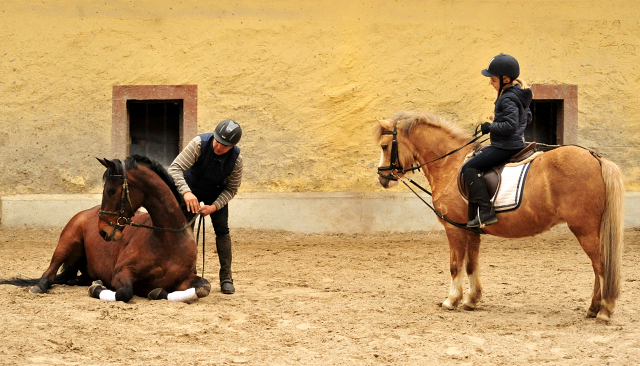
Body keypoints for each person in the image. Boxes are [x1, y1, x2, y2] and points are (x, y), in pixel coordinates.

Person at [168, 119, 243, 294]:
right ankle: (189, 273)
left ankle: (226, 277)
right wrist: (186, 192)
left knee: (222, 230)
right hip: (190, 187)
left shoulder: (236, 159)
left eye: (224, 145)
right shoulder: (198, 144)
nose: (218, 147)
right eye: (217, 141)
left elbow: (232, 188)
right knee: (186, 230)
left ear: (232, 146)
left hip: (217, 192)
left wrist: (215, 207)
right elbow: (175, 168)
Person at [462, 53, 533, 228]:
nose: (491, 84)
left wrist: (490, 127)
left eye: (493, 80)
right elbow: (528, 117)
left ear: (506, 79)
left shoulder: (508, 97)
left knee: (469, 167)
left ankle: (486, 211)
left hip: (506, 146)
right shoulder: (517, 94)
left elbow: (509, 125)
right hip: (511, 143)